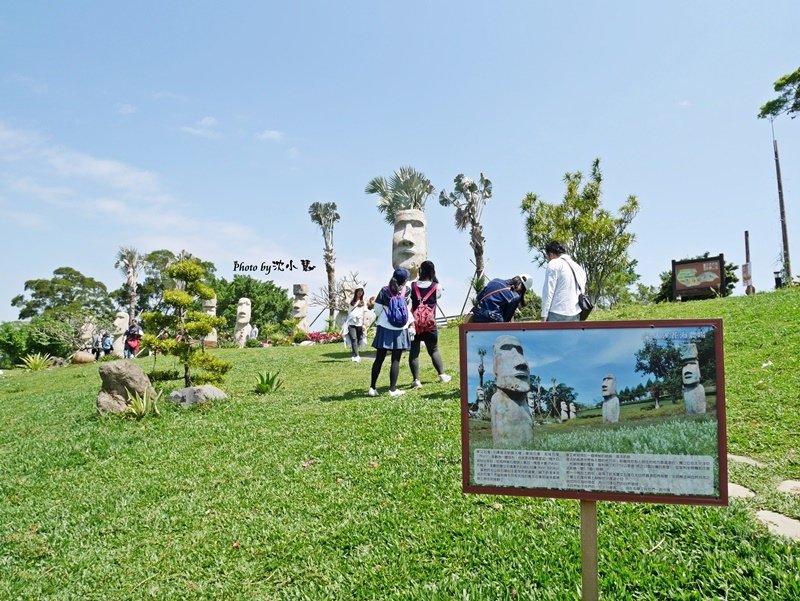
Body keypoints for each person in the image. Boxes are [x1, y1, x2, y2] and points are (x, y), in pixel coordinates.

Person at [369, 268, 412, 397]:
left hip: (384, 327)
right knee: (395, 360)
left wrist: (384, 314)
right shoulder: (407, 290)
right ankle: (392, 389)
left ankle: (372, 388)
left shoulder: (384, 290)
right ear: (404, 280)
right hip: (400, 328)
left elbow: (376, 309)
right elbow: (407, 307)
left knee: (379, 359)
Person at [408, 260, 451, 388]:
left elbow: (410, 300)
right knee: (433, 350)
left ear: (420, 271)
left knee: (414, 352)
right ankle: (442, 375)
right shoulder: (436, 286)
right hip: (429, 324)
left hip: (415, 324)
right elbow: (438, 296)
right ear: (432, 271)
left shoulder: (413, 285)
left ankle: (416, 380)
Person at [540, 240, 587, 322]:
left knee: (553, 335)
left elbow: (548, 292)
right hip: (576, 312)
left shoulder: (554, 263)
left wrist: (544, 316)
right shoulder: (578, 267)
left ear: (551, 254)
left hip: (557, 312)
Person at [345, 287, 368, 362]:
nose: (360, 292)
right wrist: (350, 291)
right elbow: (346, 300)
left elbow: (365, 312)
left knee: (358, 339)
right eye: (358, 291)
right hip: (351, 322)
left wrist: (364, 324)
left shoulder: (363, 302)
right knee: (353, 338)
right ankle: (357, 355)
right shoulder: (351, 300)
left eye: (361, 291)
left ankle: (354, 354)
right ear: (356, 292)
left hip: (359, 323)